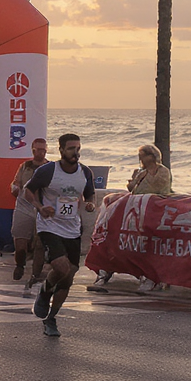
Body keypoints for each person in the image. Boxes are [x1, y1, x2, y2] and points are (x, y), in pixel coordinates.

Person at [25, 133, 96, 338]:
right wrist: (40, 207)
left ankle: (51, 318)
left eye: (78, 148)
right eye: (71, 148)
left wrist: (91, 204)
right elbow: (28, 190)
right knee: (61, 267)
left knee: (68, 276)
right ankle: (45, 291)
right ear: (62, 150)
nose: (76, 152)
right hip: (49, 226)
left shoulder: (85, 172)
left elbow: (90, 193)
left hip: (72, 228)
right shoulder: (48, 171)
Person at [90, 144, 174, 293]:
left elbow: (159, 188)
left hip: (154, 209)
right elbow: (133, 190)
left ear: (152, 156)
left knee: (149, 244)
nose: (141, 159)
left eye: (144, 155)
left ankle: (150, 277)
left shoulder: (162, 171)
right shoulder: (140, 172)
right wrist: (134, 181)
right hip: (138, 209)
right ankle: (106, 271)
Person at [10, 138, 48, 296]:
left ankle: (35, 274)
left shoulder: (49, 168)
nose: (40, 152)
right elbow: (15, 183)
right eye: (38, 149)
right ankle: (20, 264)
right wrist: (14, 188)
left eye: (43, 150)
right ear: (32, 150)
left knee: (40, 244)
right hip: (23, 206)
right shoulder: (25, 166)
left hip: (40, 207)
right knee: (20, 242)